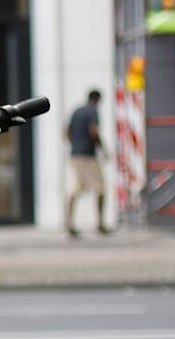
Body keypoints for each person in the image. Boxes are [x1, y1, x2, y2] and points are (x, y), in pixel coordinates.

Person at [65, 89, 110, 237]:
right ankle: (100, 224)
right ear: (97, 100)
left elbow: (67, 132)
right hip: (88, 156)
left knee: (78, 188)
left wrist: (75, 145)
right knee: (101, 188)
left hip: (75, 155)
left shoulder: (76, 111)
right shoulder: (92, 111)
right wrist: (102, 150)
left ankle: (69, 223)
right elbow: (94, 131)